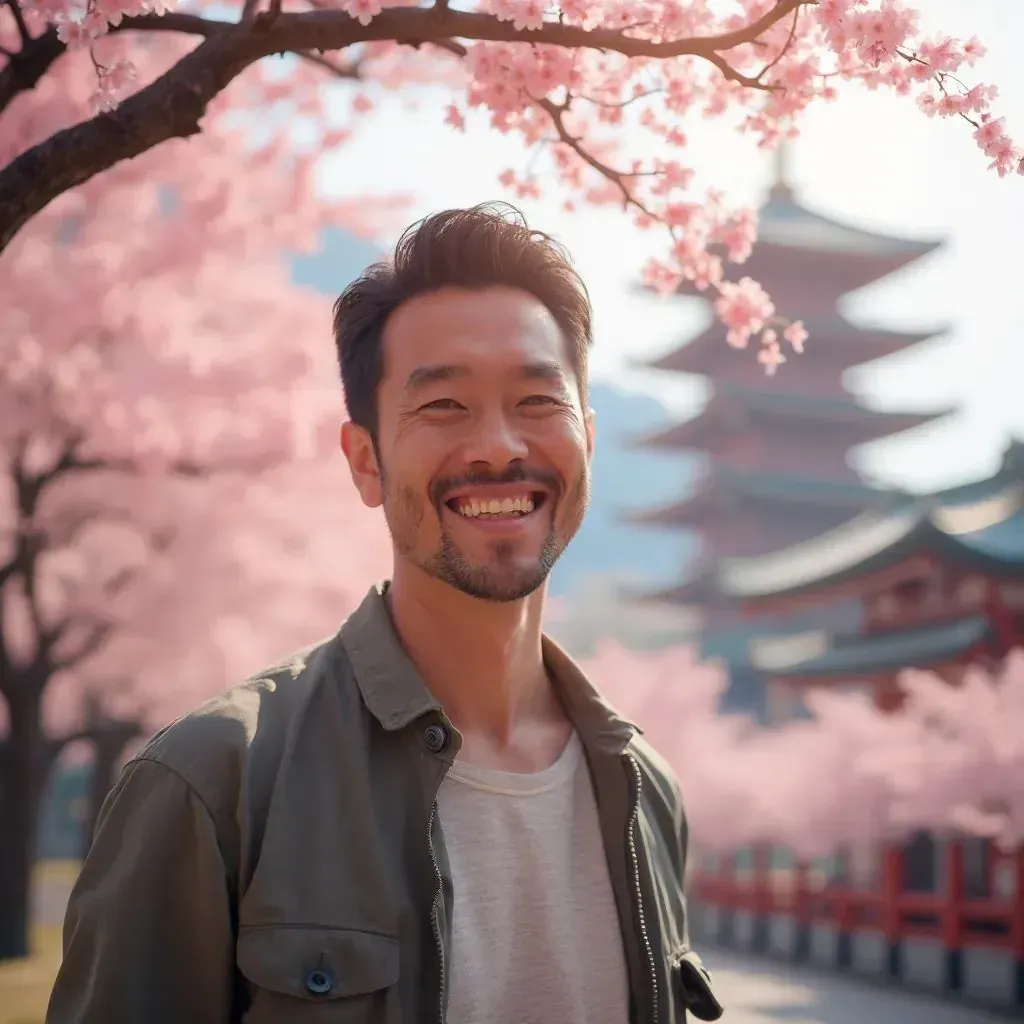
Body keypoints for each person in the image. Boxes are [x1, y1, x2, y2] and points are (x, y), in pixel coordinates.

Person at [47, 202, 723, 1024]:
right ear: (365, 462)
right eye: (443, 407)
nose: (499, 445)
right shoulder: (213, 784)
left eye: (539, 401)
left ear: (588, 435)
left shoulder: (645, 791)